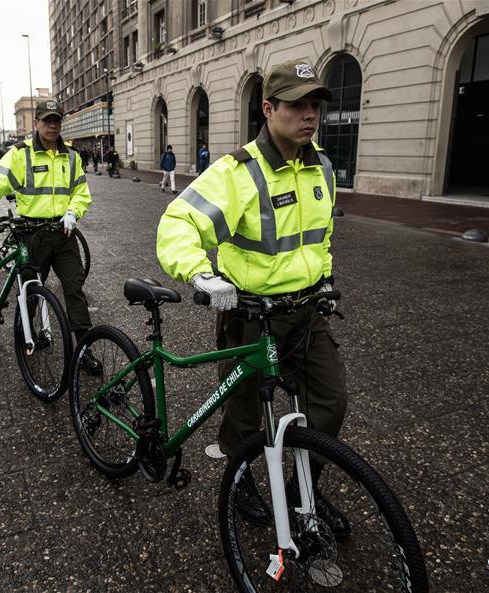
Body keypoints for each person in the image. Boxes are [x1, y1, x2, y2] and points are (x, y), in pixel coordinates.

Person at [155, 60, 348, 536]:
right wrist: (201, 273)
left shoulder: (320, 164)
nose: (309, 114)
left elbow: (318, 237)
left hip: (305, 310)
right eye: (297, 104)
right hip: (251, 313)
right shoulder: (238, 172)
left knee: (330, 403)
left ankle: (304, 490)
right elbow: (178, 222)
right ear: (268, 109)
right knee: (243, 411)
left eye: (315, 104)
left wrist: (323, 279)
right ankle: (239, 479)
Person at [0, 99, 102, 374]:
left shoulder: (71, 155)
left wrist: (73, 212)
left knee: (75, 291)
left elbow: (81, 193)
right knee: (31, 292)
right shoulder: (21, 154)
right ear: (37, 123)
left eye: (56, 120)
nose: (52, 125)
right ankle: (26, 336)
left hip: (63, 232)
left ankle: (84, 349)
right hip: (32, 235)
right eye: (47, 120)